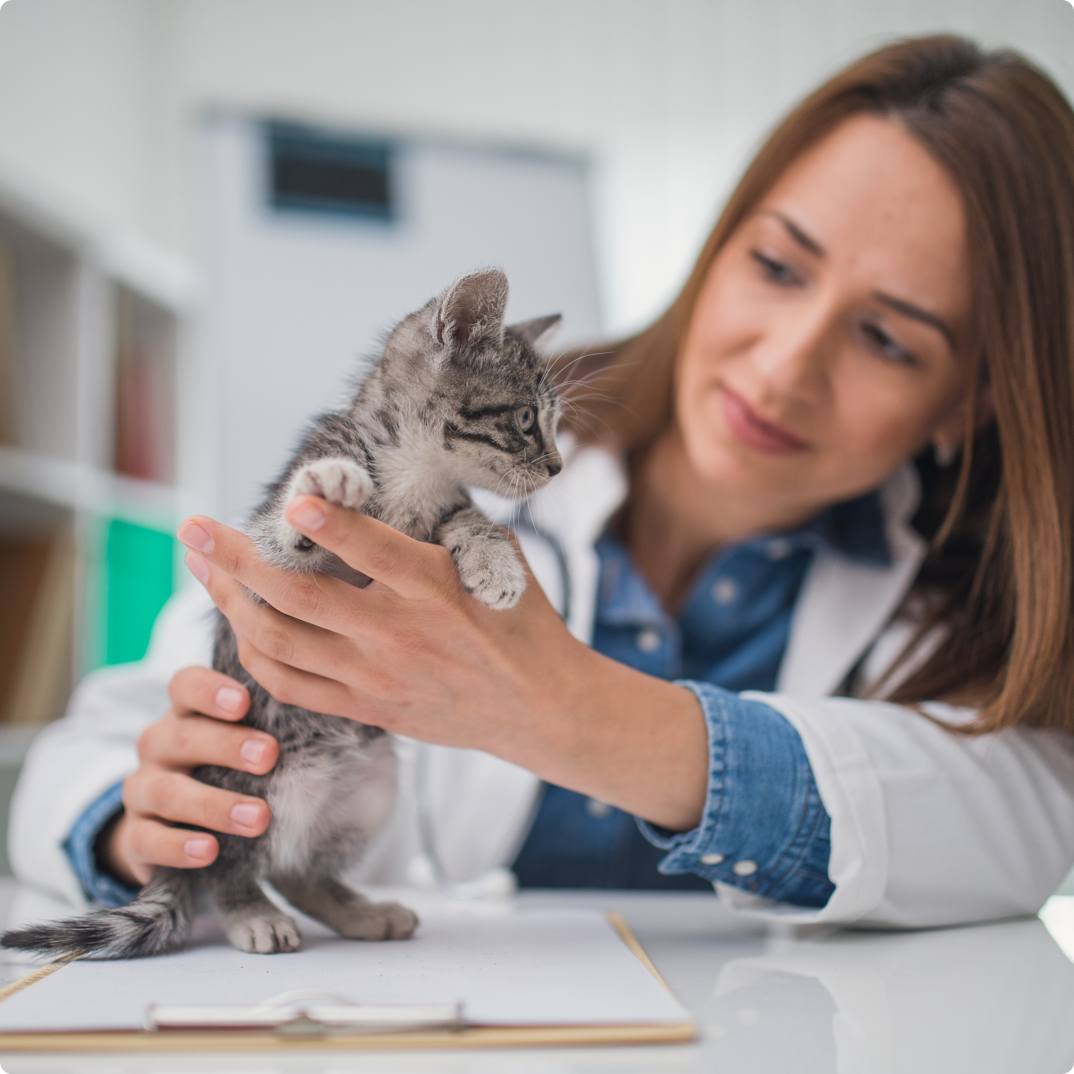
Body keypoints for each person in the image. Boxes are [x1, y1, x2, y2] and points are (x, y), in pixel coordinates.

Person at [10, 33, 1074, 929]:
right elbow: (86, 757)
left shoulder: (969, 609)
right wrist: (133, 818)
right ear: (718, 245)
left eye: (886, 338)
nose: (785, 364)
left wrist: (575, 716)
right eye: (779, 266)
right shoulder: (423, 467)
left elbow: (1030, 824)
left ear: (971, 400)